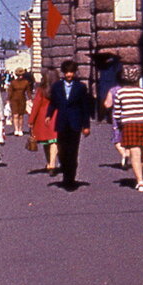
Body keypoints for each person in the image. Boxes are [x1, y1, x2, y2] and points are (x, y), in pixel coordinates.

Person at [46, 60, 92, 191]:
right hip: (61, 122)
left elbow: (85, 107)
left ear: (75, 72)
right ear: (63, 73)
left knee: (73, 152)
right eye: (66, 72)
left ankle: (69, 178)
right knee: (62, 151)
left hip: (75, 122)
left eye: (71, 72)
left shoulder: (81, 87)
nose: (69, 75)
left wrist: (86, 126)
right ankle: (65, 170)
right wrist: (49, 115)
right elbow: (53, 103)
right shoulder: (57, 86)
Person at [109, 70, 143, 191]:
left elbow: (117, 113)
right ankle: (142, 175)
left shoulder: (120, 93)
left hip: (129, 125)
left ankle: (140, 181)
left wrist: (119, 126)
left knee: (135, 154)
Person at [28, 75, 58, 173]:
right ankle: (53, 163)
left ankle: (49, 162)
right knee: (54, 141)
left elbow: (36, 105)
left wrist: (31, 120)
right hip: (56, 115)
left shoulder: (41, 90)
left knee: (46, 142)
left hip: (43, 117)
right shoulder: (59, 89)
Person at [7, 70, 31, 136]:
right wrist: (8, 99)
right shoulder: (13, 82)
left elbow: (28, 91)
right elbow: (10, 92)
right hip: (14, 100)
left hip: (22, 100)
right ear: (17, 75)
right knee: (15, 115)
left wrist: (30, 99)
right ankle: (16, 129)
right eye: (19, 75)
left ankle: (20, 129)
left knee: (21, 115)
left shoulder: (26, 82)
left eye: (21, 75)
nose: (20, 76)